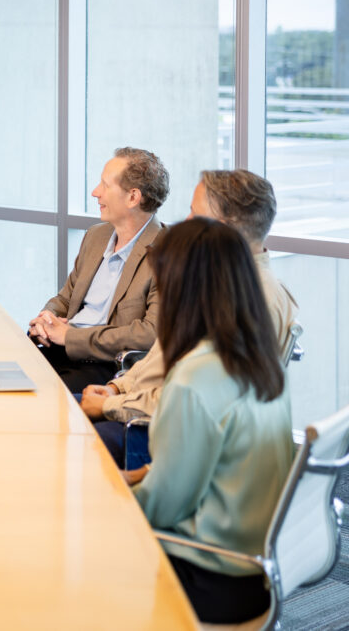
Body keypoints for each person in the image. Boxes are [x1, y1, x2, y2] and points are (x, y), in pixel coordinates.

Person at [127, 217, 292, 624]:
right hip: (257, 571)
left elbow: (163, 507)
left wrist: (101, 499)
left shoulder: (193, 379)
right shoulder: (259, 360)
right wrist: (147, 473)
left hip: (205, 576)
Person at [80, 169, 298, 467]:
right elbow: (160, 357)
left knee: (68, 437)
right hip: (141, 406)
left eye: (194, 215)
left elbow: (193, 403)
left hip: (155, 431)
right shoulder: (222, 280)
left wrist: (109, 405)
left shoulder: (249, 301)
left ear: (222, 227)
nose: (185, 224)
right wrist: (117, 388)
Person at [28, 147, 169, 392]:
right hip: (61, 350)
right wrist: (46, 319)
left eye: (105, 185)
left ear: (133, 197)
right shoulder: (96, 236)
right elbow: (65, 298)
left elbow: (150, 334)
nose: (95, 192)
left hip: (106, 366)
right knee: (2, 372)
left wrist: (71, 337)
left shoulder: (168, 253)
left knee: (38, 397)